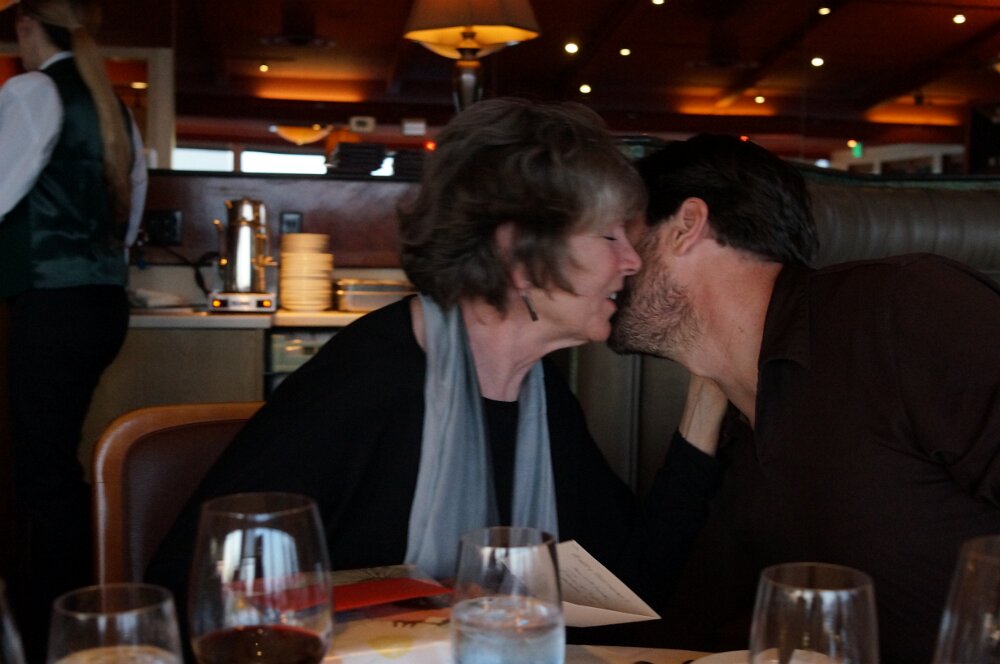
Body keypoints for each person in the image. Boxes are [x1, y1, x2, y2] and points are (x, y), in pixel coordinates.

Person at [146, 98, 721, 634]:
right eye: (611, 235)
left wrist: (708, 390)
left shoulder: (538, 393)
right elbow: (194, 594)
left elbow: (625, 587)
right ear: (519, 255)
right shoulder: (366, 385)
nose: (631, 261)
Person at [608, 133, 1000, 664]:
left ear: (686, 225)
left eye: (623, 235)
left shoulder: (901, 311)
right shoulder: (732, 426)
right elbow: (671, 623)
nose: (611, 263)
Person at [0, 0, 147, 656]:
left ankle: (58, 629)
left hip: (50, 303)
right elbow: (129, 214)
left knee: (43, 474)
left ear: (28, 26)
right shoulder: (114, 106)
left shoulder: (33, 91)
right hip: (101, 303)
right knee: (54, 463)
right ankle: (80, 612)